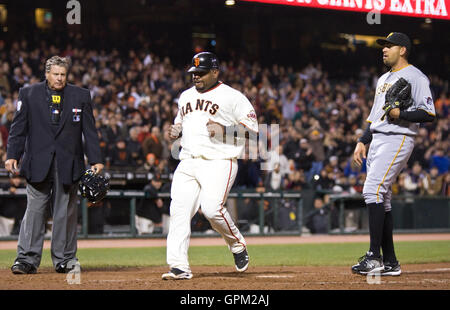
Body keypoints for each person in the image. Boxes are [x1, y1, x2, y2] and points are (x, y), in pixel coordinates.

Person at [162, 52, 258, 280]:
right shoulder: (185, 96)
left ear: (215, 72)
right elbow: (180, 123)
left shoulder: (233, 97)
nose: (196, 76)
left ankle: (236, 244)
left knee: (212, 210)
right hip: (188, 161)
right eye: (194, 72)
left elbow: (254, 133)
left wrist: (225, 130)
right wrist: (176, 131)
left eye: (201, 72)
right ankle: (179, 266)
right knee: (179, 212)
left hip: (219, 161)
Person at [4, 56, 104, 274]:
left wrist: (95, 159)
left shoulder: (81, 95)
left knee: (65, 213)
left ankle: (65, 259)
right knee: (34, 211)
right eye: (56, 74)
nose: (59, 78)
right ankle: (26, 259)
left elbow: (89, 131)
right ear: (47, 73)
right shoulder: (28, 94)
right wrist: (12, 155)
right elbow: (18, 129)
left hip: (68, 162)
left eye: (63, 74)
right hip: (38, 162)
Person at [351, 33, 436, 276]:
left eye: (389, 46)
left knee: (372, 190)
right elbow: (376, 114)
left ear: (403, 50)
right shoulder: (383, 79)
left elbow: (428, 113)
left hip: (398, 137)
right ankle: (390, 262)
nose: (384, 50)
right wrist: (362, 140)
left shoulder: (416, 77)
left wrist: (402, 114)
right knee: (382, 198)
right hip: (378, 137)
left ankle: (373, 257)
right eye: (383, 46)